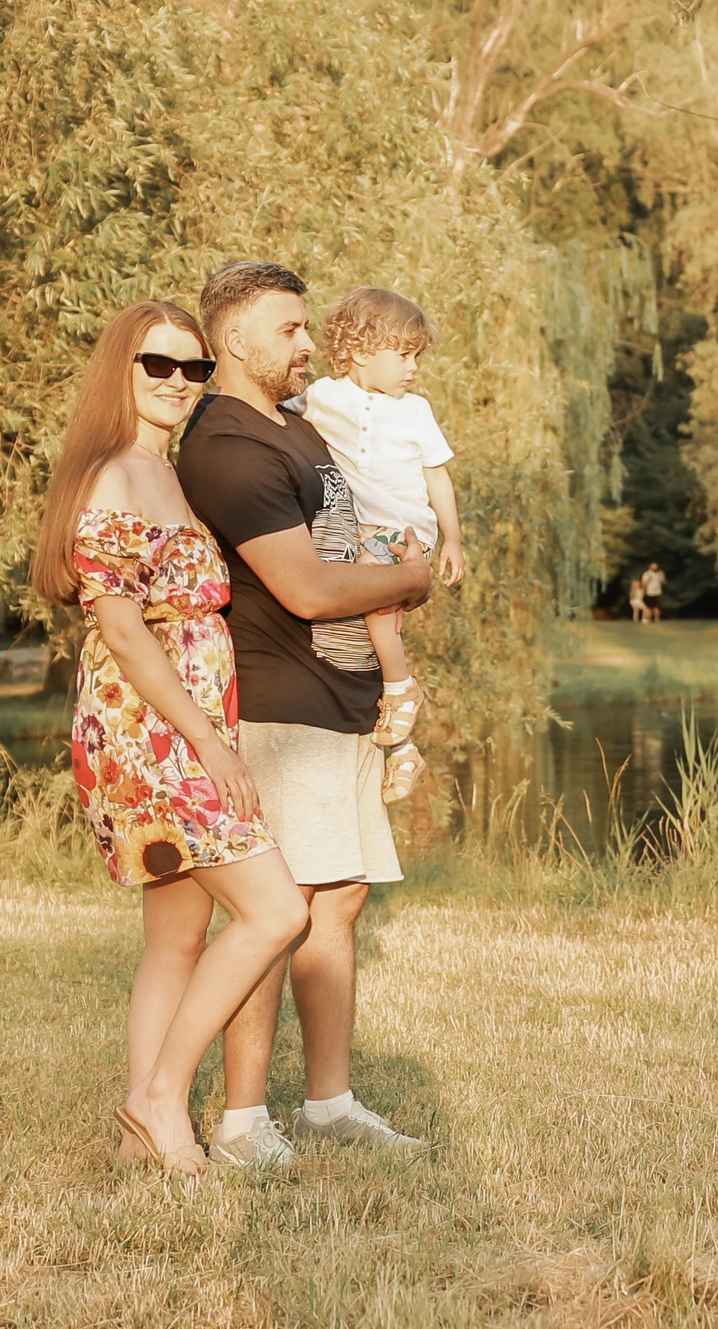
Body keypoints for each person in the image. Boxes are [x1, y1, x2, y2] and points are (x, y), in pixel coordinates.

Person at [30, 300, 311, 1178]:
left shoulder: (168, 473)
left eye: (194, 370)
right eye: (160, 365)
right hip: (149, 732)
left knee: (176, 939)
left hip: (181, 723)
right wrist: (213, 745)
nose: (179, 385)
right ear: (123, 366)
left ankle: (133, 1136)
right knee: (278, 910)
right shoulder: (115, 476)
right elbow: (122, 631)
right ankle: (160, 1097)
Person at [174, 261, 436, 1168]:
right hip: (278, 703)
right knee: (280, 911)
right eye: (288, 329)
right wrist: (409, 578)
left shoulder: (290, 426)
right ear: (235, 339)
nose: (306, 344)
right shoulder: (227, 446)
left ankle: (329, 1100)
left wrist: (396, 565)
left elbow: (348, 549)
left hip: (338, 699)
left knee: (341, 897)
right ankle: (244, 1121)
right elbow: (306, 586)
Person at [296, 287, 465, 804]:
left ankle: (400, 689)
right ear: (362, 349)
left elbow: (437, 477)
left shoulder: (416, 411)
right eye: (404, 355)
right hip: (356, 531)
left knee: (374, 615)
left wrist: (453, 538)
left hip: (404, 530)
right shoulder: (323, 396)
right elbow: (269, 406)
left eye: (417, 356)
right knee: (363, 637)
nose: (413, 367)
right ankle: (403, 749)